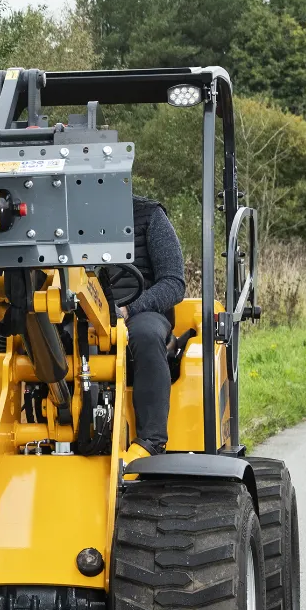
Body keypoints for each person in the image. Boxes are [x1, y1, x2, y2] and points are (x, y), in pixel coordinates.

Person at [120, 195, 186, 458]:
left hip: (142, 311)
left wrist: (129, 308)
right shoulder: (66, 217)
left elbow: (173, 282)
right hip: (84, 311)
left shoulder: (149, 215)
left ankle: (151, 440)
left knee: (145, 335)